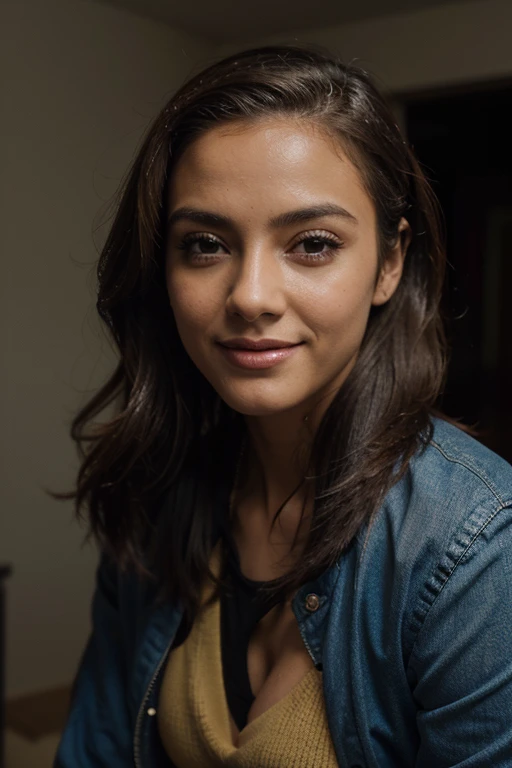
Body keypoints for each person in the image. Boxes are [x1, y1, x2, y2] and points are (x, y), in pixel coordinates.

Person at [52, 44, 512, 767]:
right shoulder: (156, 493)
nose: (251, 296)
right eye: (205, 244)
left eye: (313, 244)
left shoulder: (479, 551)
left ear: (390, 262)